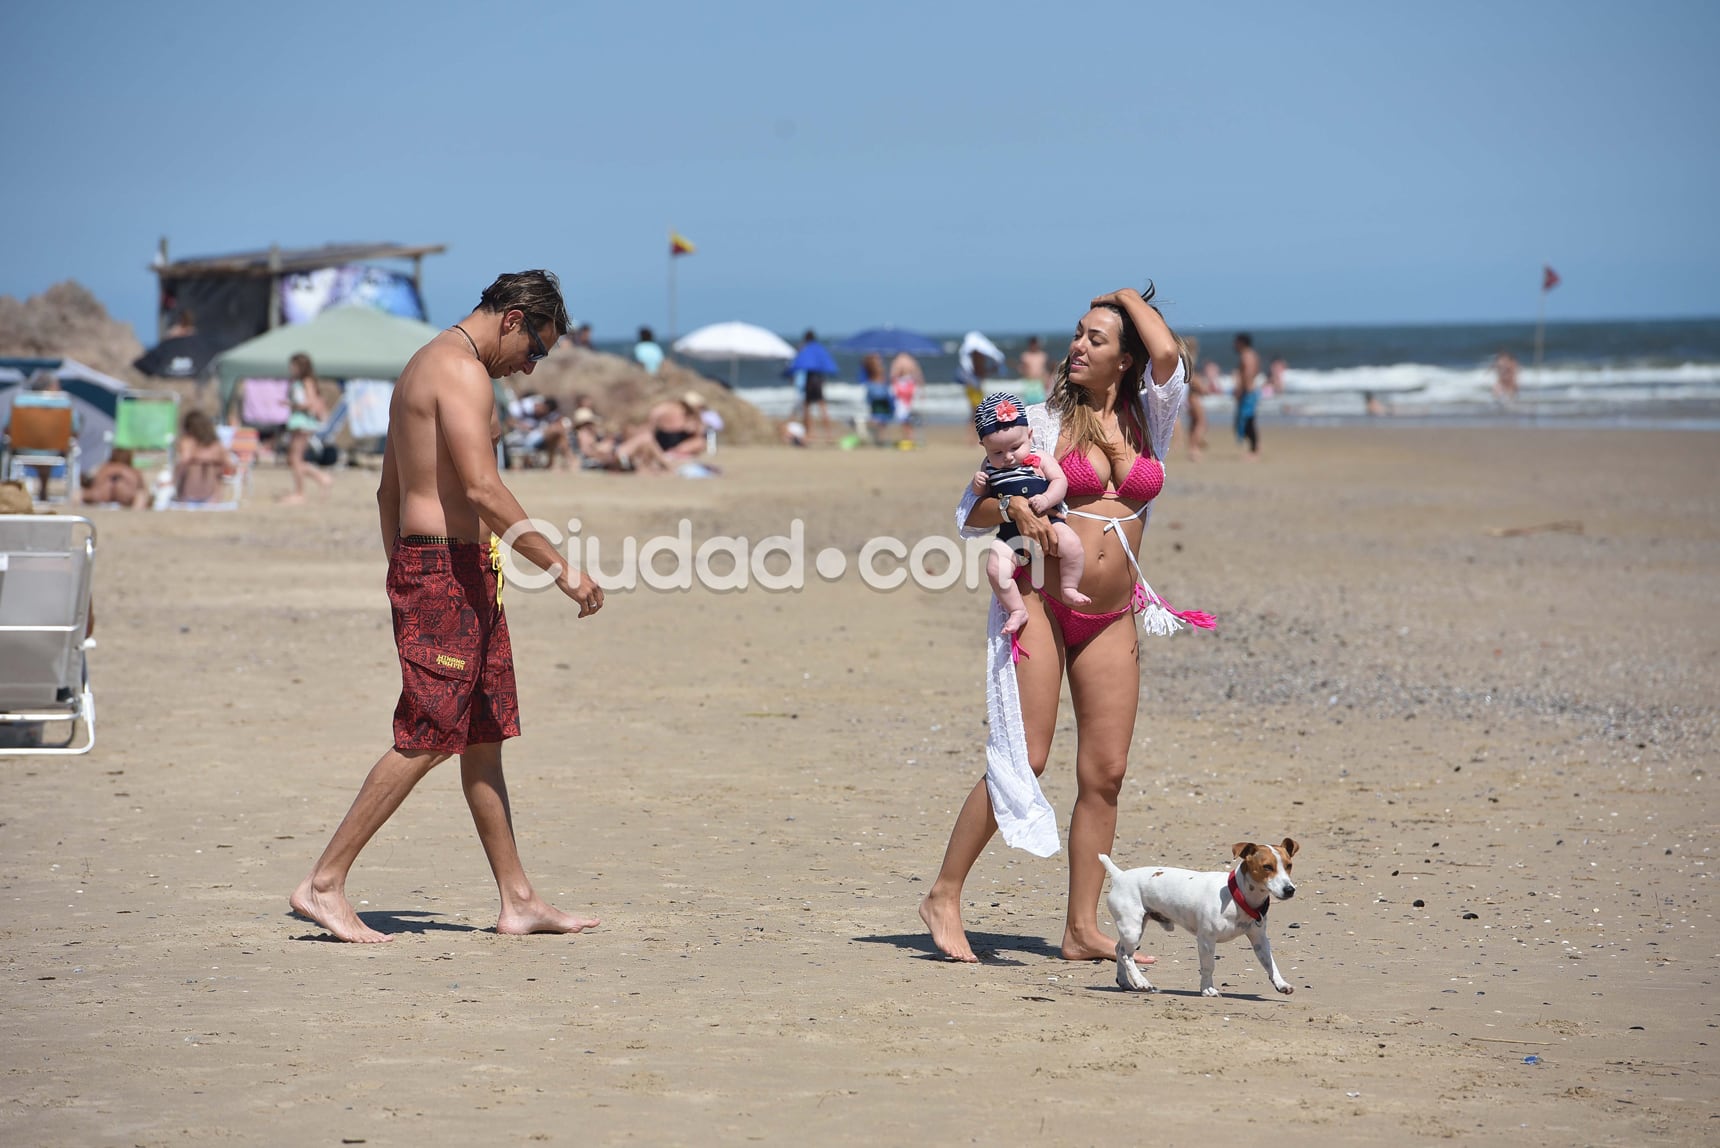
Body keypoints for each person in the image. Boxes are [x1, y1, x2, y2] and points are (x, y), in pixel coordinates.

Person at [291, 269, 604, 944]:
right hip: (444, 570)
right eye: (536, 352)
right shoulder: (460, 371)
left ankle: (518, 900)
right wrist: (560, 570)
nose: (530, 369)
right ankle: (324, 882)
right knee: (429, 732)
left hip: (451, 566)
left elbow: (386, 492)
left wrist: (401, 567)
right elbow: (484, 488)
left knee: (485, 734)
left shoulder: (419, 366)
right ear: (514, 319)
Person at [922, 284, 1200, 965]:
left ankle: (1081, 929)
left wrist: (1128, 296)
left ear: (1125, 360)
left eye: (1095, 339)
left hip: (1110, 614)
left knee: (1106, 772)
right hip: (1040, 602)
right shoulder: (1041, 423)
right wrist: (1015, 512)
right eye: (1077, 333)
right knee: (1030, 756)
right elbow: (969, 512)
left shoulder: (1152, 418)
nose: (1078, 345)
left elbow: (1167, 351)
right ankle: (944, 894)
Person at [969, 392, 1089, 638]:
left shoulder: (1039, 459)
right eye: (997, 452)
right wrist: (978, 483)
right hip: (1010, 535)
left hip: (1050, 520)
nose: (1008, 456)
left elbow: (1059, 481)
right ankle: (1016, 609)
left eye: (1015, 447)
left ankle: (1069, 586)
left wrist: (1046, 499)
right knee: (994, 568)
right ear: (985, 447)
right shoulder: (988, 466)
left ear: (1030, 436)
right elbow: (981, 497)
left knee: (1072, 545)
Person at [281, 353, 334, 503]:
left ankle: (300, 492)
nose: (291, 369)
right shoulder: (299, 382)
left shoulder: (307, 382)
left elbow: (310, 403)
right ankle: (321, 478)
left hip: (303, 423)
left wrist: (291, 405)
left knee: (295, 459)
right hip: (298, 422)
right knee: (293, 459)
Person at [617, 392, 708, 474]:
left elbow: (698, 436)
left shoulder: (693, 417)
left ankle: (665, 461)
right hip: (662, 443)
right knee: (646, 439)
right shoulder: (664, 410)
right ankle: (666, 464)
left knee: (700, 442)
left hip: (673, 446)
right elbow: (650, 428)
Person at [172, 409, 232, 504]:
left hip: (188, 493)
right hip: (213, 495)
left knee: (188, 467)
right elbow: (230, 467)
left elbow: (184, 462)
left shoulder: (188, 442)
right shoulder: (217, 445)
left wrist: (172, 480)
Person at [796, 330, 833, 445]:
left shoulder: (806, 349)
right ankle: (828, 434)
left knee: (807, 408)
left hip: (810, 380)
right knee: (822, 407)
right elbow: (827, 363)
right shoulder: (819, 349)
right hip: (819, 380)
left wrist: (787, 373)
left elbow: (798, 363)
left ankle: (809, 432)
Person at [82, 447, 147, 508]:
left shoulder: (104, 468)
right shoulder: (133, 471)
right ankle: (135, 516)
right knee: (140, 496)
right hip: (122, 497)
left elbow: (91, 482)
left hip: (101, 495)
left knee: (80, 494)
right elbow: (143, 490)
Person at [1233, 333, 1261, 458]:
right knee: (1247, 420)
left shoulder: (1246, 356)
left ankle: (1254, 450)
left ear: (1241, 343)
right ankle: (1254, 448)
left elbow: (1248, 374)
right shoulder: (1252, 354)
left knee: (1247, 420)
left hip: (1248, 391)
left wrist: (1241, 389)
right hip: (1251, 390)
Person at [955, 348, 994, 438]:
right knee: (976, 414)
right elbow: (981, 374)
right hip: (975, 389)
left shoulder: (969, 362)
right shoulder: (977, 360)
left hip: (972, 389)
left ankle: (971, 436)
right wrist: (993, 368)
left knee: (974, 413)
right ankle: (972, 436)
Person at [889, 352, 923, 446]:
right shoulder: (911, 361)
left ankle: (907, 437)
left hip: (903, 392)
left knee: (904, 417)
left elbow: (893, 376)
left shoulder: (897, 361)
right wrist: (921, 392)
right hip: (909, 390)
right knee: (908, 416)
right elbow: (919, 376)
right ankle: (909, 437)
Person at [1183, 336, 1208, 461]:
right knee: (1201, 422)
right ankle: (1194, 448)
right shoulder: (1191, 360)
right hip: (1193, 397)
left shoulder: (1184, 360)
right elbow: (1192, 379)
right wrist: (1203, 388)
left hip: (1189, 397)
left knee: (1194, 423)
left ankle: (1193, 447)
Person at [861, 353, 893, 445]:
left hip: (876, 390)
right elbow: (881, 378)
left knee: (879, 416)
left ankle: (878, 437)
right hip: (878, 390)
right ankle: (879, 437)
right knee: (880, 416)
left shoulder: (872, 368)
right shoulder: (876, 368)